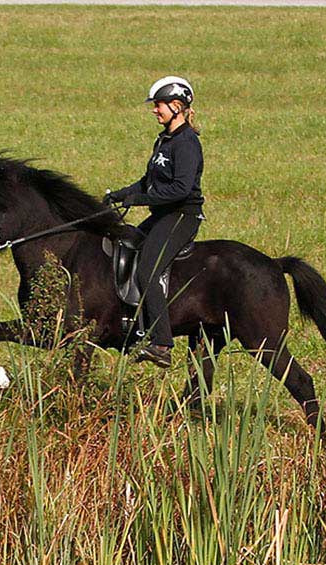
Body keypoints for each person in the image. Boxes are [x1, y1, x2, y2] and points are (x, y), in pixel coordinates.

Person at [103, 76, 204, 368]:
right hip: (162, 214)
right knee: (125, 246)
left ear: (176, 106)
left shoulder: (186, 143)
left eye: (158, 105)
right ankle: (133, 326)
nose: (154, 110)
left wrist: (141, 200)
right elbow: (149, 181)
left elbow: (181, 189)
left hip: (181, 216)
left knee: (148, 267)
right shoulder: (165, 140)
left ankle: (161, 342)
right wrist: (120, 195)